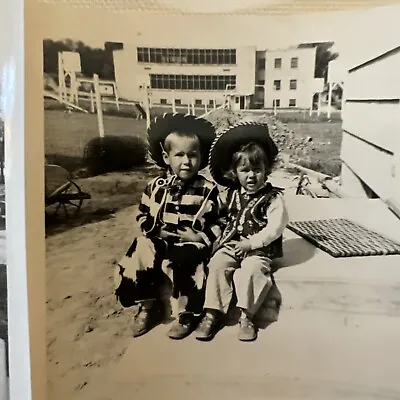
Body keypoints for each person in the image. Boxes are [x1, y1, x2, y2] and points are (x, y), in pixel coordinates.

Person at [114, 113, 221, 340]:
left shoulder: (207, 189)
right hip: (161, 238)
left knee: (186, 260)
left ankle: (188, 313)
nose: (186, 161)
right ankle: (147, 305)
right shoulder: (156, 187)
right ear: (166, 156)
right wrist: (155, 230)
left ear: (201, 157)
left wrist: (199, 237)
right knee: (142, 247)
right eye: (179, 155)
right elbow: (142, 213)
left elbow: (220, 221)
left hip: (189, 242)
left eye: (193, 155)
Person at [195, 122, 289, 342]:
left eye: (257, 170)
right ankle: (213, 312)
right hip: (234, 244)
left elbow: (276, 227)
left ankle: (247, 316)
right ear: (234, 173)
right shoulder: (233, 194)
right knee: (218, 263)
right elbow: (222, 215)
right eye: (244, 170)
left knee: (251, 270)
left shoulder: (273, 198)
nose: (251, 176)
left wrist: (252, 244)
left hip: (259, 250)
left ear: (266, 170)